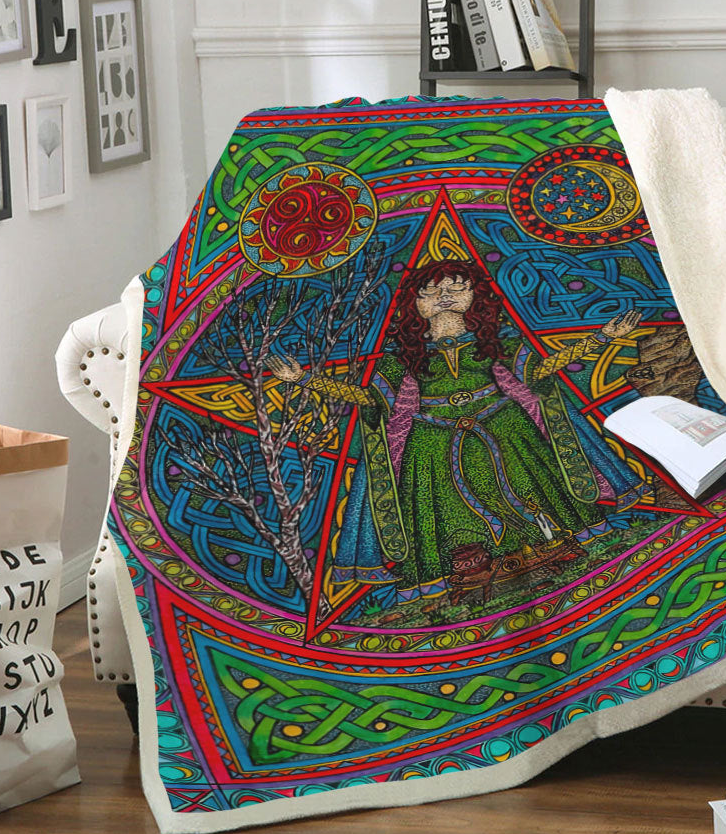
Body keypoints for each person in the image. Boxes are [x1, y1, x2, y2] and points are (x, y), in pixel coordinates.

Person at [268, 259, 644, 606]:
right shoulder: (401, 357)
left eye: (456, 287)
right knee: (447, 516)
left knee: (530, 492)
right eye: (431, 291)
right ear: (414, 304)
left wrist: (600, 338)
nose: (444, 296)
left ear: (475, 295)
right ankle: (467, 576)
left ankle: (553, 549)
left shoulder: (497, 340)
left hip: (505, 426)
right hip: (432, 443)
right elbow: (370, 398)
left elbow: (539, 371)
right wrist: (304, 380)